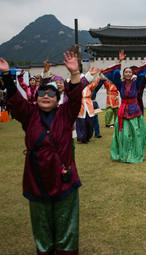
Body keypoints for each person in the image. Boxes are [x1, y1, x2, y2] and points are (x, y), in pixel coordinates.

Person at [0, 52, 93, 254]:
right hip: (36, 181)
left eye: (51, 93)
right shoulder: (29, 114)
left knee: (66, 227)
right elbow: (16, 100)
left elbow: (76, 95)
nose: (45, 96)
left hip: (64, 180)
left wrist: (75, 72)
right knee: (41, 227)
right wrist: (7, 75)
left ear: (58, 99)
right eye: (42, 93)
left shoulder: (66, 114)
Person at [102, 50, 146, 163]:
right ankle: (123, 153)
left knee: (137, 133)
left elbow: (141, 73)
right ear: (123, 74)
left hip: (134, 109)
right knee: (124, 135)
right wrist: (119, 61)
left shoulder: (136, 83)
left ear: (132, 74)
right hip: (123, 110)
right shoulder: (120, 84)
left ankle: (136, 152)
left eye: (129, 72)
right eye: (125, 72)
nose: (127, 73)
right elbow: (115, 74)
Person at [76, 71, 101, 144]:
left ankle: (88, 136)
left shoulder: (89, 87)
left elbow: (95, 84)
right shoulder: (77, 88)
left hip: (89, 104)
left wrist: (98, 76)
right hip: (80, 105)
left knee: (89, 122)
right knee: (81, 122)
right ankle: (82, 138)